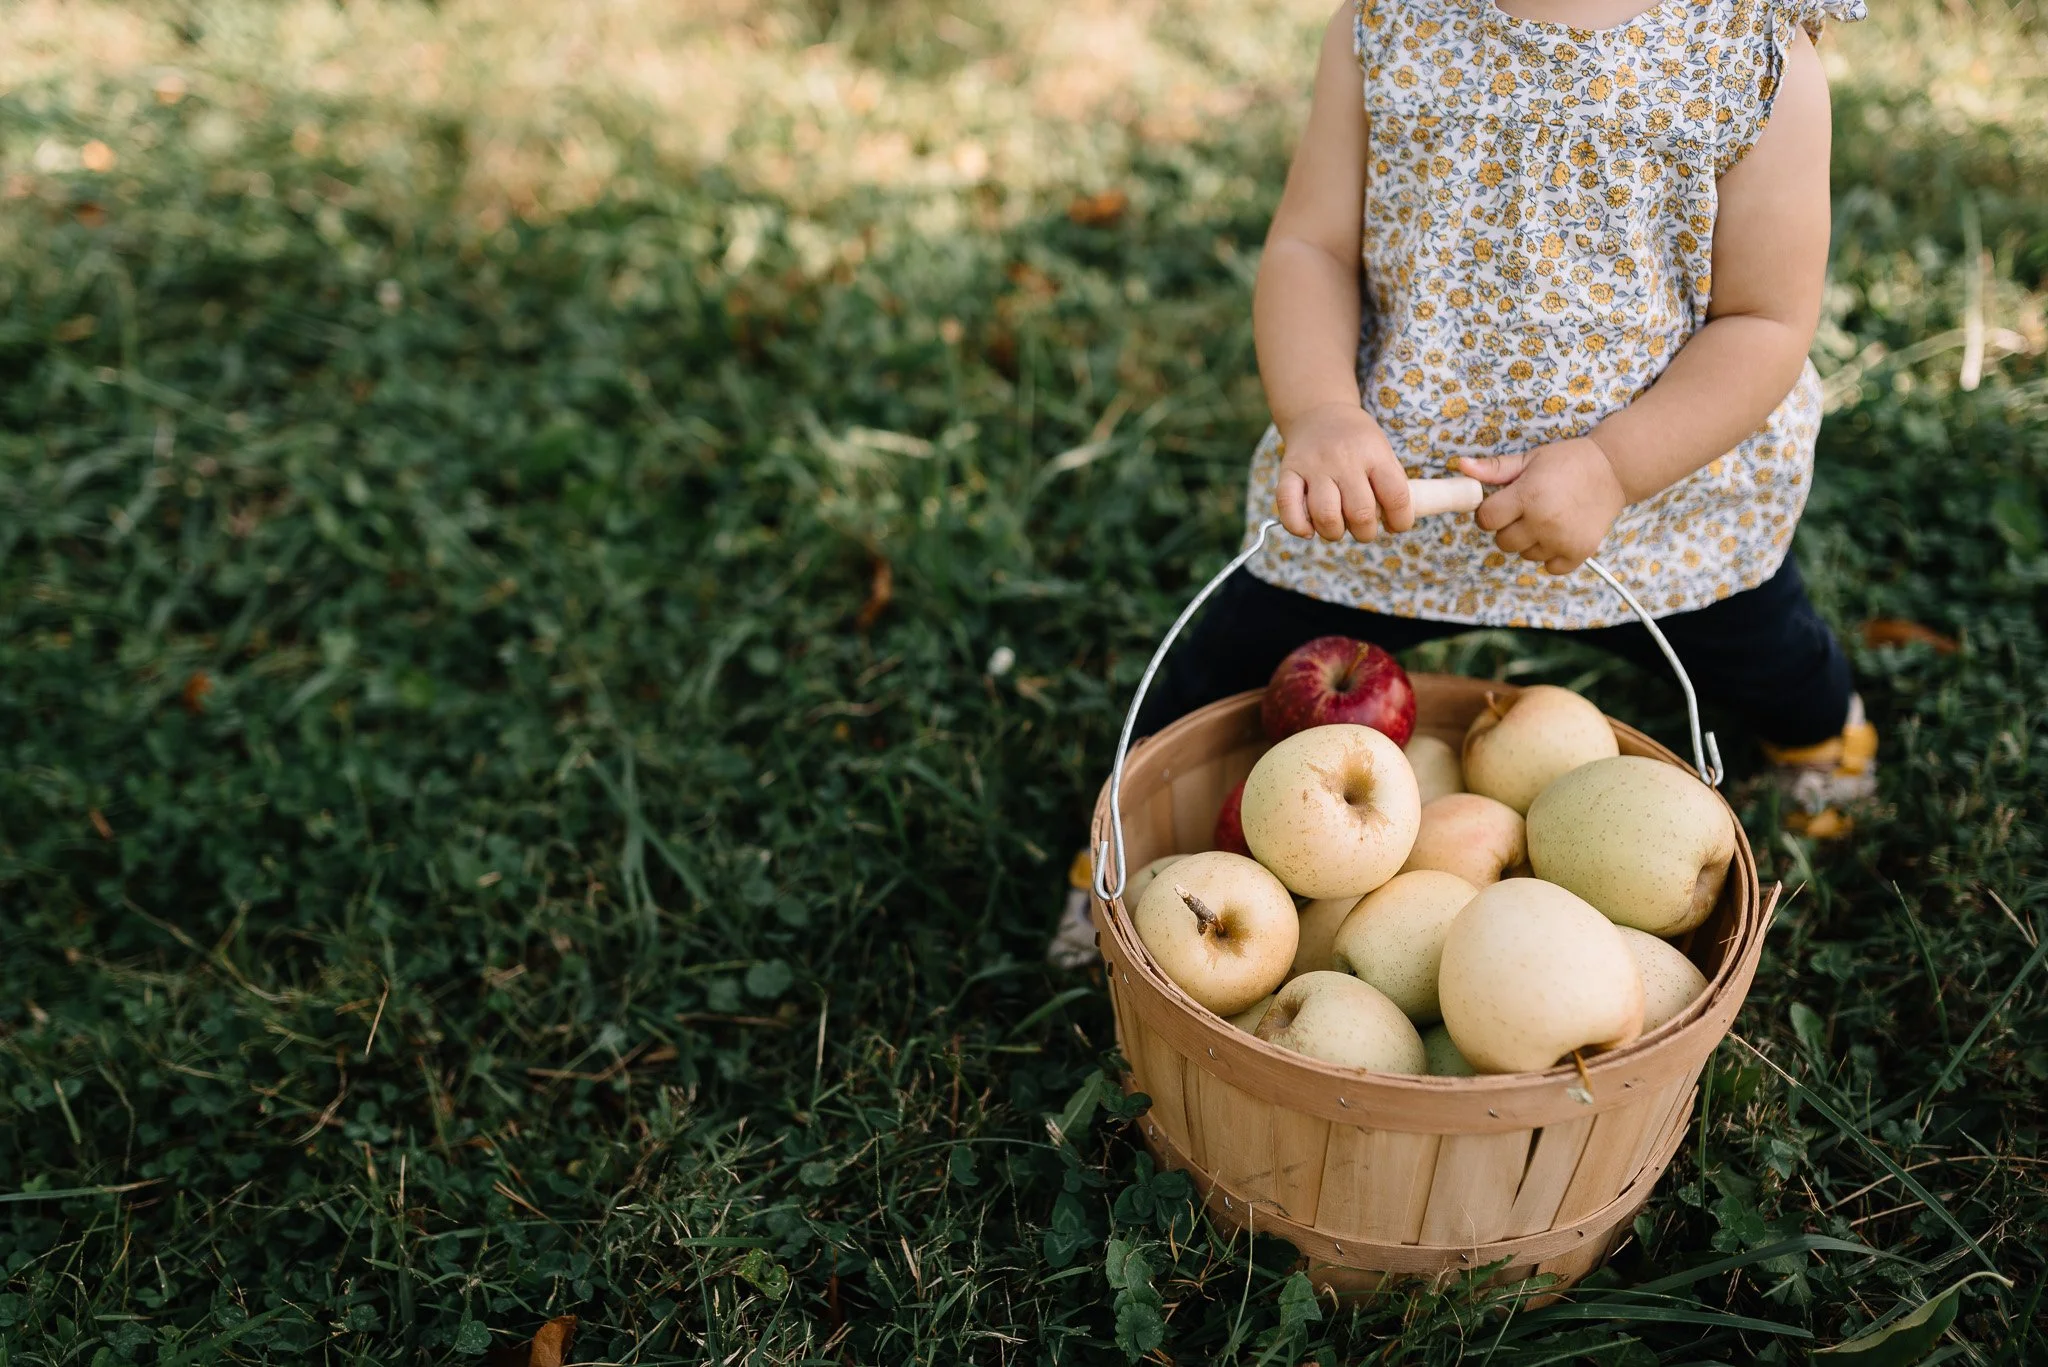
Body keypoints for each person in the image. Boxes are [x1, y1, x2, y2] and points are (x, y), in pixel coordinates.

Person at [1047, 0, 1874, 970]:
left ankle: (1822, 742)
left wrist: (1613, 464)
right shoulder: (1389, 23)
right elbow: (1311, 247)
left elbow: (1764, 321)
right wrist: (1320, 415)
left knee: (1758, 645)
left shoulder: (1747, 45)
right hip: (1389, 493)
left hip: (1650, 509)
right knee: (1223, 666)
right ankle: (1134, 838)